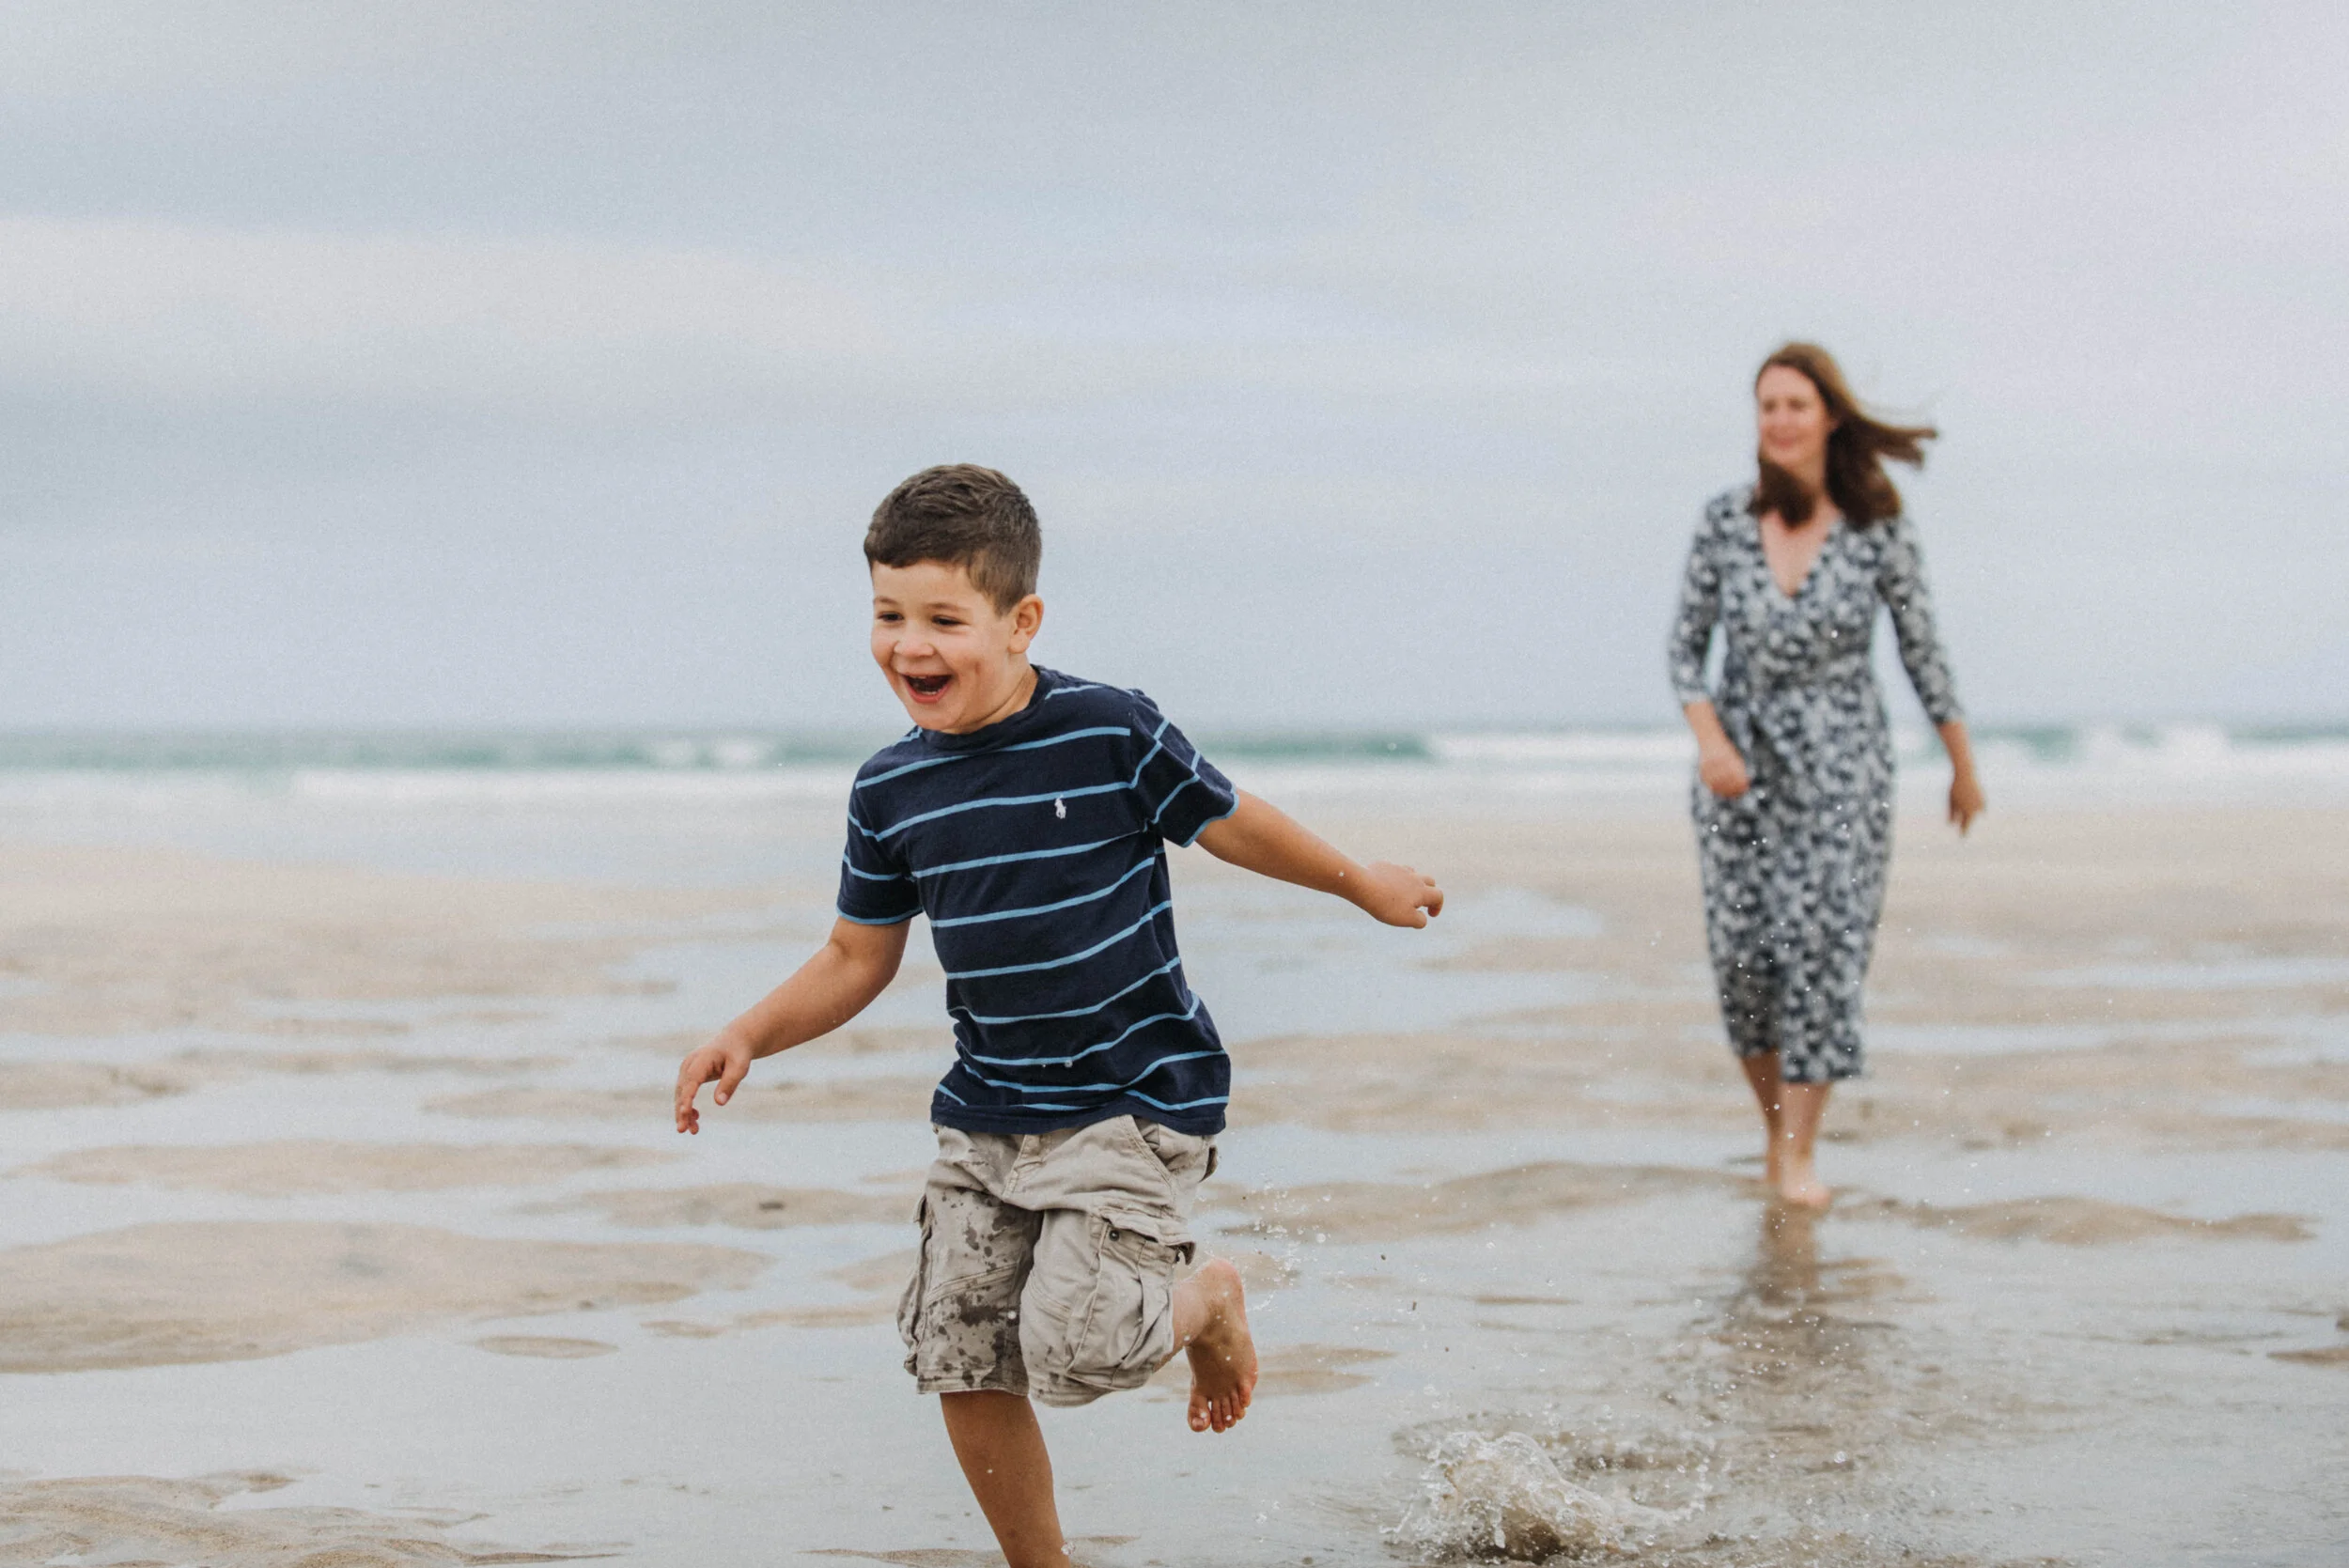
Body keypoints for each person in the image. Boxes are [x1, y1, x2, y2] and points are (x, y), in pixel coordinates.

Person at [674, 464, 1444, 1566]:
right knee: (961, 1356)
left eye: (944, 618)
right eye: (888, 616)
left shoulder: (1108, 730)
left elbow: (1228, 822)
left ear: (1021, 620)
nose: (910, 646)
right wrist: (747, 1031)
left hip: (1133, 1103)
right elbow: (855, 955)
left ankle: (1207, 1302)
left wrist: (1359, 880)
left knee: (1079, 1349)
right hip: (987, 1113)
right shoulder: (890, 789)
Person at [1668, 344, 1984, 1209]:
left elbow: (1922, 649)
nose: (1778, 419)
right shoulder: (1724, 520)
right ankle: (1774, 1131)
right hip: (1737, 779)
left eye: (1795, 404)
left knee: (1821, 958)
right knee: (1745, 963)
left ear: (1829, 417)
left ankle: (1799, 1153)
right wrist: (1711, 742)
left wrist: (1961, 763)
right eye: (1766, 404)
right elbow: (1683, 651)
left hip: (1844, 772)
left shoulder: (1878, 524)